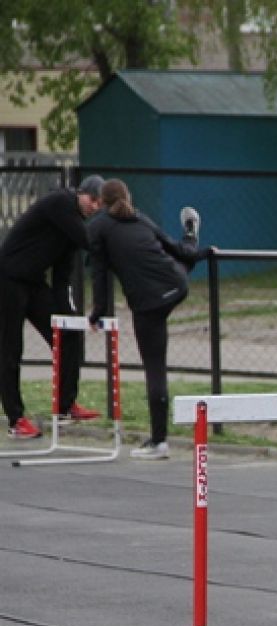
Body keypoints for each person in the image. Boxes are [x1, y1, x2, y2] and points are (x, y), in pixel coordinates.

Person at [87, 179, 211, 460]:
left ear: (102, 202)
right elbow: (176, 250)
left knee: (155, 369)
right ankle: (191, 232)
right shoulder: (140, 218)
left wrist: (98, 313)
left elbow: (99, 274)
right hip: (176, 284)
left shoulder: (98, 227)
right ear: (128, 197)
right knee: (183, 258)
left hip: (147, 303)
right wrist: (198, 252)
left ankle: (159, 441)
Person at [0, 175, 106, 439]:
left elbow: (62, 276)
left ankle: (65, 405)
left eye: (100, 205)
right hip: (8, 278)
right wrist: (117, 241)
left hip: (34, 282)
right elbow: (89, 241)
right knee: (10, 349)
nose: (95, 207)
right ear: (81, 193)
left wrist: (68, 314)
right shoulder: (61, 203)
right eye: (93, 200)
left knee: (68, 334)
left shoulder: (72, 228)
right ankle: (16, 419)